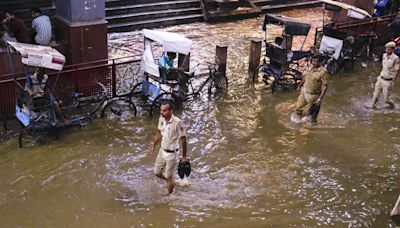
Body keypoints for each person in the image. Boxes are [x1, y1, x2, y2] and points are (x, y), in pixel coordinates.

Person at [148, 102, 188, 194]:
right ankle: (171, 182)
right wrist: (154, 144)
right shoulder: (161, 119)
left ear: (170, 111)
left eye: (164, 111)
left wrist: (184, 156)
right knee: (157, 172)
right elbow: (159, 132)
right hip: (162, 151)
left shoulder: (178, 123)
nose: (162, 113)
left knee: (168, 176)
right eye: (161, 110)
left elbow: (184, 140)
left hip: (172, 154)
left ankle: (170, 196)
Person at [293, 55, 329, 124]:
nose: (313, 63)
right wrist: (299, 85)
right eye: (312, 61)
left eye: (315, 62)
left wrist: (319, 99)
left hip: (313, 95)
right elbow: (306, 77)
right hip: (304, 92)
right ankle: (297, 123)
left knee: (310, 114)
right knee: (298, 108)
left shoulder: (323, 72)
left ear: (320, 63)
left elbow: (325, 86)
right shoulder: (310, 67)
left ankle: (310, 126)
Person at [370, 41, 400, 109]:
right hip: (380, 78)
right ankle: (372, 108)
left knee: (386, 99)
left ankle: (393, 106)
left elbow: (397, 71)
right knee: (375, 95)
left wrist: (392, 82)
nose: (387, 50)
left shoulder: (396, 59)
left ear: (393, 49)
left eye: (389, 49)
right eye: (386, 49)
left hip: (388, 81)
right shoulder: (384, 55)